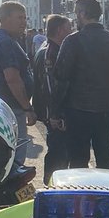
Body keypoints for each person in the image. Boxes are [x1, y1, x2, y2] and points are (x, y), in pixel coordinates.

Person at [51, 0, 109, 170]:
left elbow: (61, 78)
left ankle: (81, 196)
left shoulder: (72, 41)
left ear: (83, 14)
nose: (75, 16)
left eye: (77, 12)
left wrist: (55, 112)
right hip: (106, 108)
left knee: (78, 161)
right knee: (106, 159)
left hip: (78, 110)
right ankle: (106, 194)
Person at [0, 2, 36, 167]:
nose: (24, 22)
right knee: (15, 153)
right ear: (5, 19)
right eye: (19, 18)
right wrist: (27, 107)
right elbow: (12, 78)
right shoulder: (6, 43)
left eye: (25, 18)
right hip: (10, 106)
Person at [32, 14, 72, 183]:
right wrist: (54, 116)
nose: (71, 32)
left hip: (54, 113)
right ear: (59, 30)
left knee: (61, 155)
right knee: (58, 157)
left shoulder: (48, 48)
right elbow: (49, 87)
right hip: (55, 116)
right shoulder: (51, 52)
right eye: (69, 28)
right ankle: (51, 189)